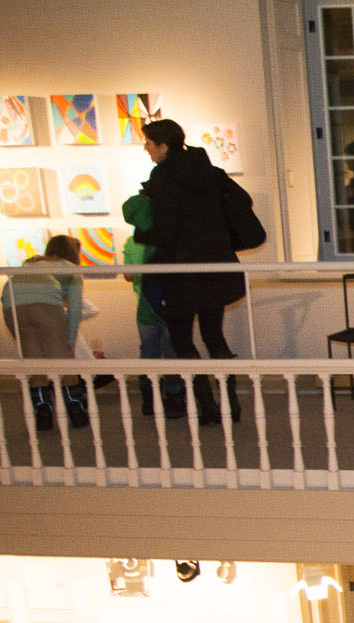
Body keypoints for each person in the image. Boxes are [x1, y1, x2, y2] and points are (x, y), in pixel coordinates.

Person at [132, 118, 247, 425]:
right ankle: (231, 404)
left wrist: (141, 234)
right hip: (216, 266)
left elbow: (165, 230)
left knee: (183, 341)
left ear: (163, 147)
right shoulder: (206, 170)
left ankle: (208, 408)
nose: (146, 149)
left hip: (183, 272)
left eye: (149, 144)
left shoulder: (164, 177)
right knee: (214, 335)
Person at [0, 234, 88, 432]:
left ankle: (43, 415)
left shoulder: (31, 263)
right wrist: (71, 341)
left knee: (34, 363)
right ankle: (77, 412)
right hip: (44, 305)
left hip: (11, 305)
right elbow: (74, 309)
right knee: (63, 363)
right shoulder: (70, 268)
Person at [121, 189, 187, 419]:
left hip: (144, 306)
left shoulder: (131, 242)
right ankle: (175, 395)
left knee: (148, 352)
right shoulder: (168, 239)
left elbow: (128, 276)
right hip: (169, 303)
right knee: (171, 351)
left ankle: (149, 397)